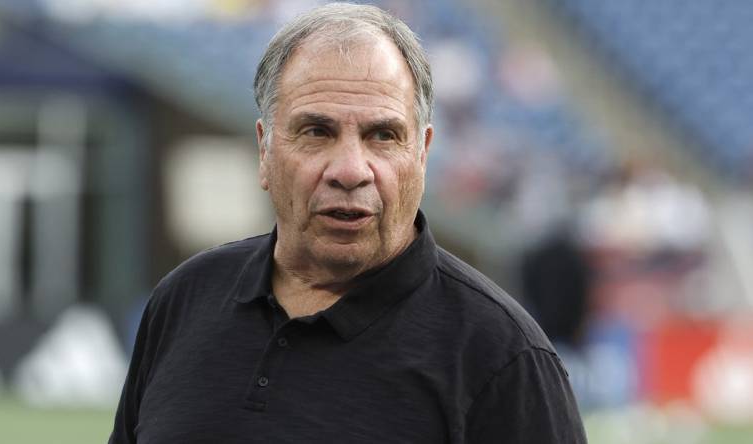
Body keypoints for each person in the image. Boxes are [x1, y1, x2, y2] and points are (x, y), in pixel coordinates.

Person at [109, 3, 586, 443]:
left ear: (421, 153)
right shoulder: (185, 300)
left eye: (383, 135)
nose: (350, 170)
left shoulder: (503, 355)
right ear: (264, 149)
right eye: (317, 132)